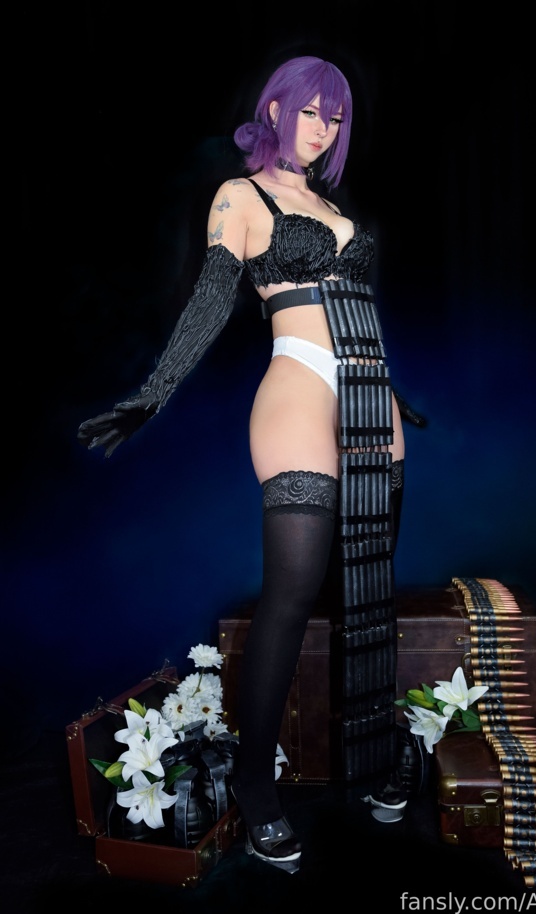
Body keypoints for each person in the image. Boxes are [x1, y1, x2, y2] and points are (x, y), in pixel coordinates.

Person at [78, 55, 424, 874]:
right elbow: (210, 300)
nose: (323, 128)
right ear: (273, 109)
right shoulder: (242, 196)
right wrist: (153, 393)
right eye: (310, 111)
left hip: (370, 398)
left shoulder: (333, 208)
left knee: (367, 586)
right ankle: (255, 782)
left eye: (335, 117)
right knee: (293, 592)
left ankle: (372, 755)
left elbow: (359, 311)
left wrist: (390, 391)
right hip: (297, 389)